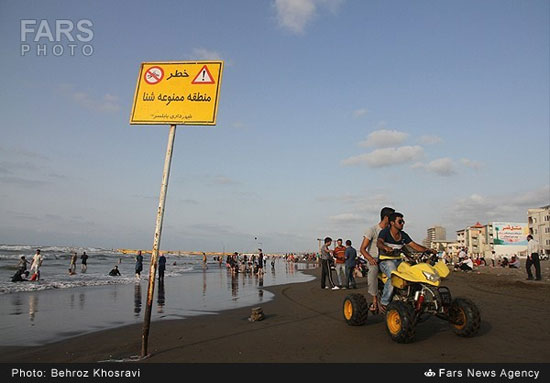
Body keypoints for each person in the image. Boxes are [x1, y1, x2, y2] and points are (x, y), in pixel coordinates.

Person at [376, 212, 436, 313]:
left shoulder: (403, 235)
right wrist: (385, 247)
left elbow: (414, 245)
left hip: (399, 261)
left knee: (414, 274)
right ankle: (384, 302)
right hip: (385, 261)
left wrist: (427, 250)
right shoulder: (385, 232)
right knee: (393, 276)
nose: (402, 223)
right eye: (400, 221)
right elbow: (379, 242)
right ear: (392, 223)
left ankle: (411, 298)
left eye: (403, 221)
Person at [359, 206, 395, 313]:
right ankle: (375, 300)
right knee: (373, 270)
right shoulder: (372, 230)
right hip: (374, 258)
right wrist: (370, 258)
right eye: (392, 217)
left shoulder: (391, 231)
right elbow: (362, 249)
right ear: (386, 218)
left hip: (387, 259)